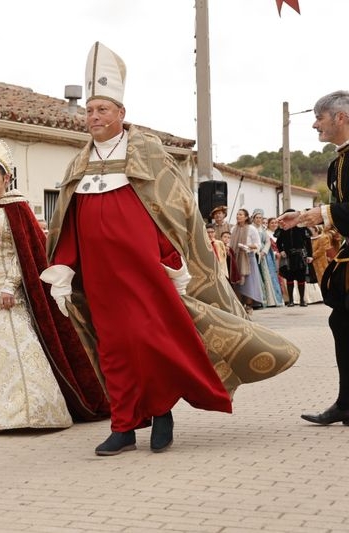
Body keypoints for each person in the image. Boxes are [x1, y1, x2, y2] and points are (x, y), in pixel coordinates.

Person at [41, 42, 299, 456]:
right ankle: (123, 426)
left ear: (121, 113)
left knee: (154, 342)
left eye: (102, 110)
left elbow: (170, 210)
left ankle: (162, 415)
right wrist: (64, 267)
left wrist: (173, 262)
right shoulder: (79, 163)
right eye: (89, 111)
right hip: (101, 278)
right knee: (115, 350)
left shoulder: (147, 151)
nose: (93, 118)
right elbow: (67, 221)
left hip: (147, 271)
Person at [0, 139, 109, 434]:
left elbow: (26, 254)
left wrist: (10, 286)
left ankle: (23, 409)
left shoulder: (17, 208)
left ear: (7, 178)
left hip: (8, 295)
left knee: (14, 347)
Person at [278, 90, 349, 425]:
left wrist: (319, 213)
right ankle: (346, 404)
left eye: (319, 117)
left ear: (340, 117)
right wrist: (308, 217)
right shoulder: (340, 160)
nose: (314, 124)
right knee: (342, 322)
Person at [275, 208, 313, 307]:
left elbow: (308, 242)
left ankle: (302, 300)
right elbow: (278, 242)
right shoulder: (283, 227)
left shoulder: (301, 226)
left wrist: (310, 255)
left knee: (301, 278)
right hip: (288, 255)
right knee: (289, 278)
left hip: (300, 255)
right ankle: (291, 300)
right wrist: (281, 250)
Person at [230, 208, 264, 312]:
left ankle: (249, 305)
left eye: (240, 214)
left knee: (249, 282)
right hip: (236, 258)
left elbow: (258, 245)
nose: (238, 216)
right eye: (237, 214)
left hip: (248, 258)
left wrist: (247, 246)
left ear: (246, 217)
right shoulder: (233, 229)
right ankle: (239, 305)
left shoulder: (251, 229)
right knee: (237, 282)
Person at [253, 209, 284, 308]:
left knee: (269, 276)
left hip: (264, 255)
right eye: (257, 218)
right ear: (253, 218)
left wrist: (264, 251)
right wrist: (256, 250)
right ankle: (259, 300)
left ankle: (271, 300)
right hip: (254, 252)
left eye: (260, 218)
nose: (258, 219)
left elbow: (267, 242)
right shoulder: (251, 228)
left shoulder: (263, 229)